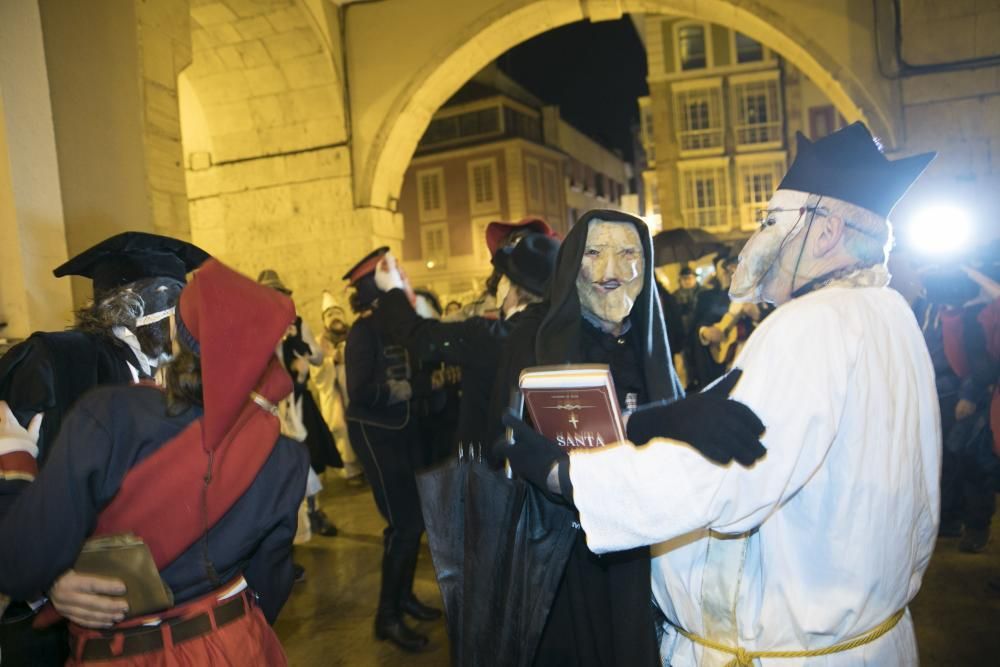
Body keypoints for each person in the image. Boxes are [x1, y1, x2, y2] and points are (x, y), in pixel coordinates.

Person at [505, 122, 940, 665]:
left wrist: (563, 474)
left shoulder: (812, 325)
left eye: (771, 220)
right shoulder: (889, 311)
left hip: (792, 649)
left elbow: (722, 486)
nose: (761, 236)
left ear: (823, 231)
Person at [0, 259, 308, 665]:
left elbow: (19, 563)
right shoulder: (287, 457)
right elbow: (273, 579)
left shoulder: (110, 414)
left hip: (128, 654)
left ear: (177, 339)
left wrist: (14, 461)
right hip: (234, 643)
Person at [489, 209, 688, 667]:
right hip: (567, 554)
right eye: (594, 253)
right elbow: (504, 444)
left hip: (644, 547)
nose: (611, 272)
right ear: (572, 261)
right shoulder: (532, 342)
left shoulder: (649, 344)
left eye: (628, 253)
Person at [0, 231, 208, 666]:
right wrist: (49, 575)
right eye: (173, 303)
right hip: (63, 620)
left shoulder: (188, 374)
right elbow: (10, 475)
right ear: (130, 309)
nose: (187, 320)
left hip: (170, 615)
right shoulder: (56, 362)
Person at [373, 232, 560, 457]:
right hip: (540, 460)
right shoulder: (558, 333)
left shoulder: (489, 335)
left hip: (486, 463)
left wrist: (393, 289)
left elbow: (418, 336)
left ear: (513, 288)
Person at [342, 247, 441, 652]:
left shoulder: (394, 324)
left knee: (410, 523)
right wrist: (408, 390)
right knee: (404, 524)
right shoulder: (364, 331)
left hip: (403, 432)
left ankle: (402, 598)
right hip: (376, 433)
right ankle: (387, 617)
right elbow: (360, 391)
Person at [258, 270, 340, 538]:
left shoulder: (298, 322)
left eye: (279, 295)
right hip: (272, 405)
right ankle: (292, 519)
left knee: (312, 454)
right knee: (283, 464)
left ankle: (316, 511)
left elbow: (316, 357)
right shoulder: (257, 326)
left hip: (300, 400)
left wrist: (301, 344)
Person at [311, 291, 363, 481]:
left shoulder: (356, 335)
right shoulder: (319, 343)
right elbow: (316, 373)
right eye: (329, 315)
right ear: (325, 321)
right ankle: (351, 471)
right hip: (336, 396)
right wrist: (331, 361)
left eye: (337, 313)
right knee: (343, 432)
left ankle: (366, 465)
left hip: (356, 390)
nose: (335, 318)